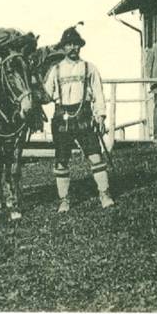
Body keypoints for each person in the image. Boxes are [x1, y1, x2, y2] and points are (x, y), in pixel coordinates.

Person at [43, 26, 113, 211]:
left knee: (95, 155)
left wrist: (101, 116)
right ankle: (64, 199)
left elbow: (98, 93)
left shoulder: (89, 68)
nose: (73, 48)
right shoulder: (55, 70)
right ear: (63, 47)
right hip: (61, 117)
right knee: (61, 159)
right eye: (68, 44)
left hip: (84, 115)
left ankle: (104, 194)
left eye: (76, 44)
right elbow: (46, 95)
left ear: (80, 46)